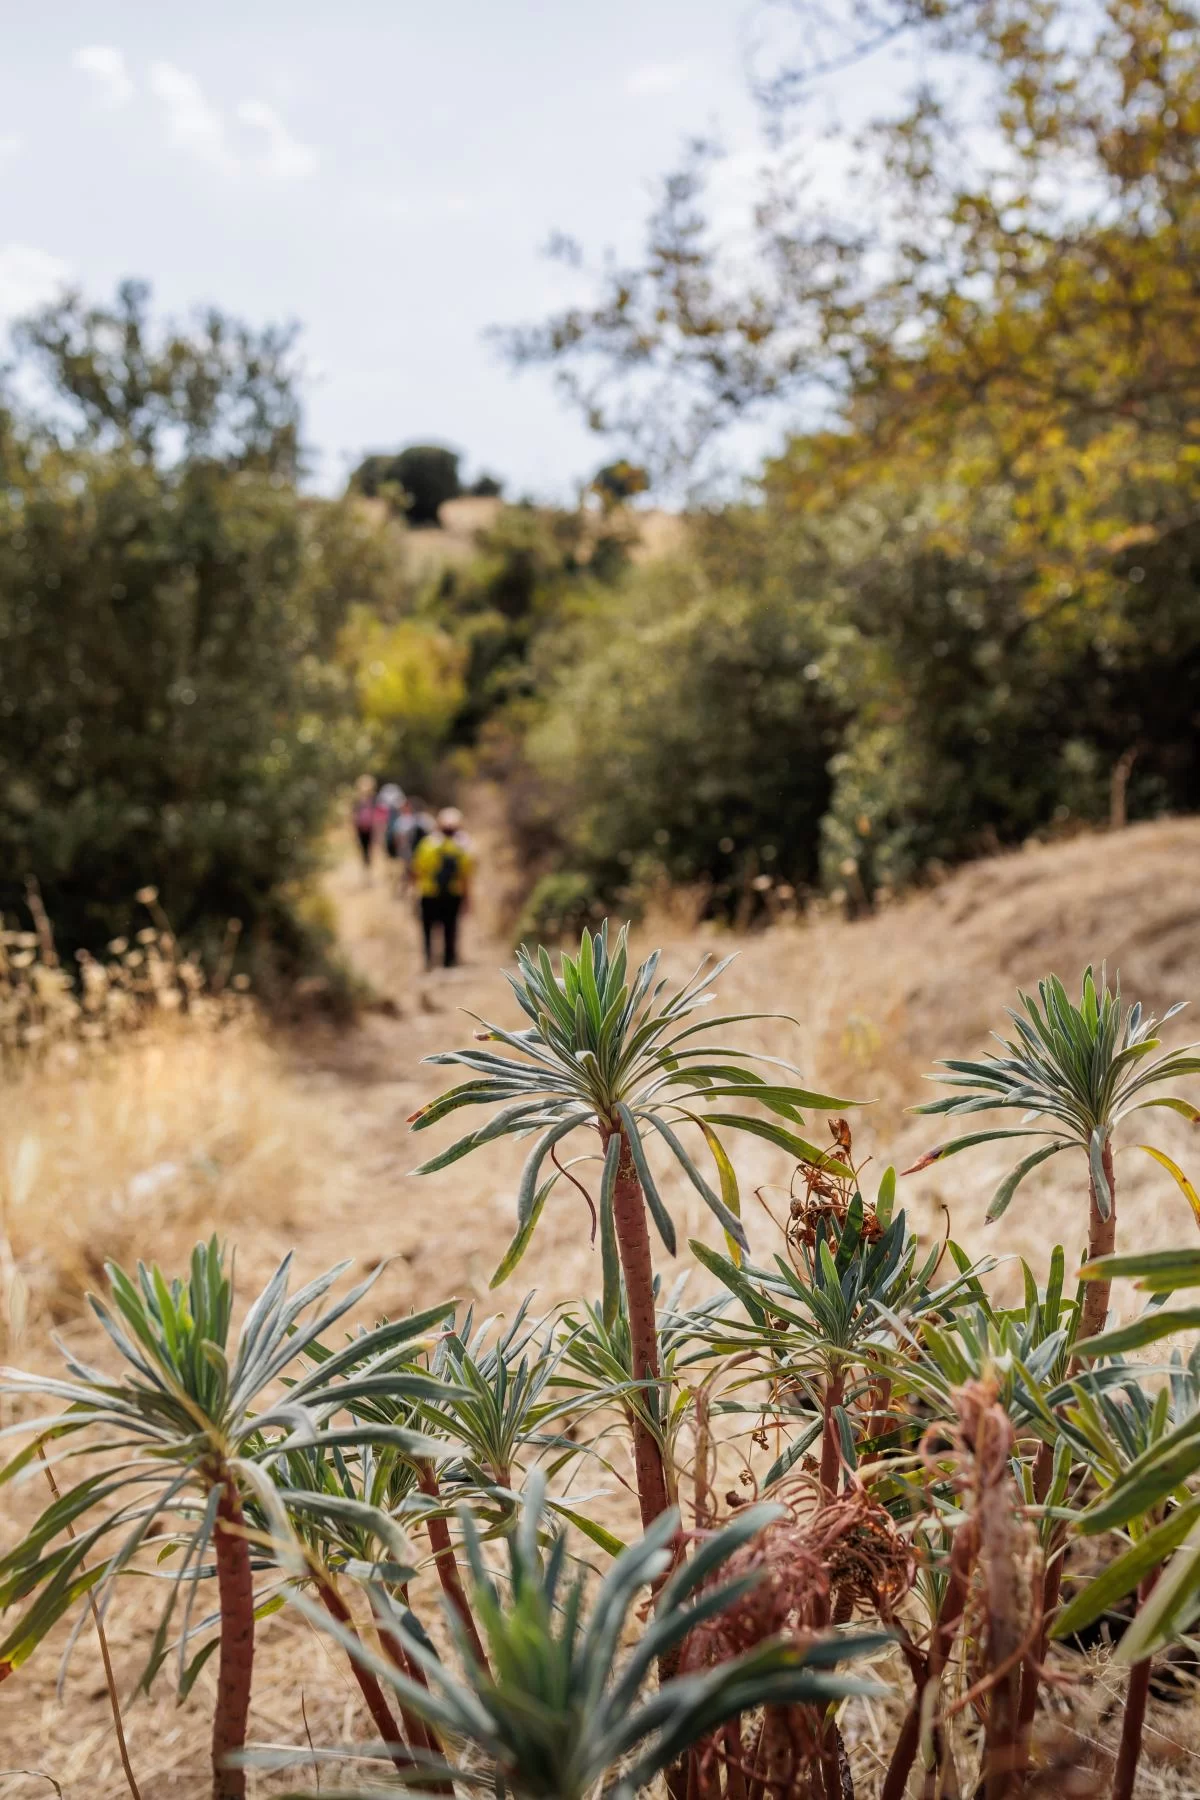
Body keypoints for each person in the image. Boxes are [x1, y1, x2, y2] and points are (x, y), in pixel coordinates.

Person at [411, 806, 475, 970]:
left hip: (429, 893)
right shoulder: (462, 847)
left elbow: (417, 870)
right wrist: (468, 898)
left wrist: (414, 891)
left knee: (428, 930)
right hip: (453, 894)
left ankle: (428, 961)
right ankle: (449, 961)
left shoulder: (427, 845)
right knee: (450, 928)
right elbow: (466, 876)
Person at [351, 775, 377, 873]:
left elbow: (377, 816)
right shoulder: (357, 801)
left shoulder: (374, 800)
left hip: (371, 829)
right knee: (363, 851)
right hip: (360, 829)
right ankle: (365, 871)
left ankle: (370, 871)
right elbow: (353, 816)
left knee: (371, 851)